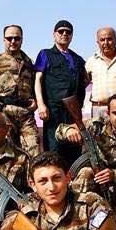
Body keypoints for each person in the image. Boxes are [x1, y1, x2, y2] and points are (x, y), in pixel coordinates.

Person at [34, 20, 89, 164]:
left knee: (74, 150)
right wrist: (41, 104)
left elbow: (85, 82)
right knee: (54, 151)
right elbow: (38, 80)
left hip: (72, 113)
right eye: (61, 31)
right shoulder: (45, 54)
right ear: (54, 35)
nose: (64, 34)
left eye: (68, 32)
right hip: (53, 111)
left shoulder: (78, 59)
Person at [0, 24, 39, 157]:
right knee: (6, 153)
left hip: (25, 113)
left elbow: (35, 85)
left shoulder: (28, 62)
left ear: (22, 39)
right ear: (4, 40)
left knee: (34, 151)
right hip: (4, 113)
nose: (13, 42)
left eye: (17, 38)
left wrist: (36, 101)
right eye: (9, 38)